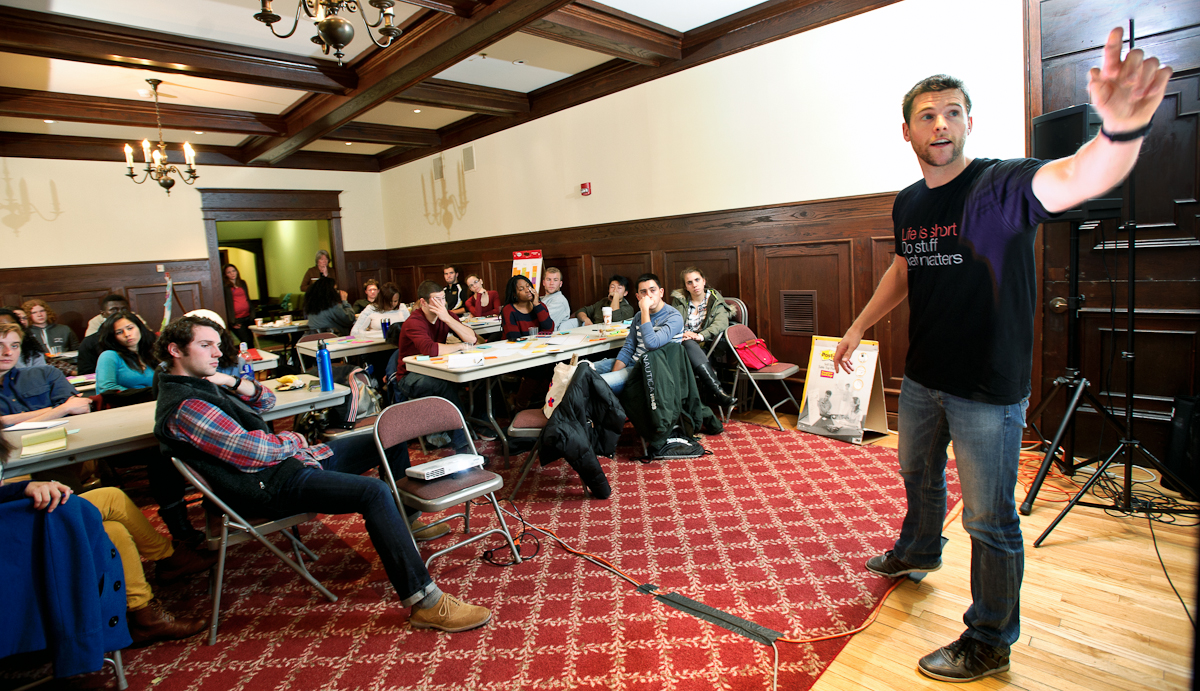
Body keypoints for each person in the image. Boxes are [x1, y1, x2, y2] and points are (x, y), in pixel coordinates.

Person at [831, 30, 1171, 683]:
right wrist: (856, 326)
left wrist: (1119, 134)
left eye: (953, 111)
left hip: (988, 387)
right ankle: (919, 547)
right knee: (916, 471)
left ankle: (989, 638)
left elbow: (1078, 174)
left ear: (969, 123)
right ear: (907, 130)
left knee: (991, 518)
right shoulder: (909, 201)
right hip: (926, 374)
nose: (941, 123)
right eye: (927, 114)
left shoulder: (1002, 184)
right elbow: (904, 269)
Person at [152, 316, 490, 632]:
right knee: (373, 492)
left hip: (292, 463)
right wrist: (294, 439)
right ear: (175, 350)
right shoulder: (187, 406)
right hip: (271, 484)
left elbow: (267, 402)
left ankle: (406, 520)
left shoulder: (204, 383)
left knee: (387, 439)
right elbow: (254, 452)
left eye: (216, 344)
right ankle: (424, 601)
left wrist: (230, 381)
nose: (217, 353)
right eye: (205, 346)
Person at [2, 478, 214, 644]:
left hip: (12, 516)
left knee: (113, 530)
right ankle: (170, 557)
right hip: (11, 533)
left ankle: (144, 615)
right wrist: (23, 488)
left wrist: (24, 487)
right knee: (113, 498)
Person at [593, 274, 683, 395]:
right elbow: (628, 347)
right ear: (638, 296)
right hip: (632, 362)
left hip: (650, 370)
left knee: (595, 385)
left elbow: (652, 344)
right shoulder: (638, 316)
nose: (648, 295)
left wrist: (644, 310)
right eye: (643, 292)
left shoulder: (674, 317)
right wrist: (614, 373)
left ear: (661, 292)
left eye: (653, 290)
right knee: (581, 370)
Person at [670, 267, 736, 407]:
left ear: (704, 281)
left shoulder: (715, 301)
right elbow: (671, 322)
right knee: (686, 344)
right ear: (686, 287)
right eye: (689, 282)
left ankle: (702, 401)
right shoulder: (679, 301)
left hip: (705, 347)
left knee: (689, 345)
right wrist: (681, 335)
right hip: (678, 345)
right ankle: (718, 392)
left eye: (697, 280)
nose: (694, 285)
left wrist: (699, 336)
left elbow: (721, 323)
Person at [0, 323, 89, 427]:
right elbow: (69, 407)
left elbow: (78, 407)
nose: (9, 352)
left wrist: (6, 420)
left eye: (14, 346)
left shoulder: (47, 373)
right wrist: (62, 409)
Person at [95, 311, 159, 394]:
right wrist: (144, 394)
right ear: (113, 337)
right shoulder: (109, 356)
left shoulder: (152, 352)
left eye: (130, 328)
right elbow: (106, 389)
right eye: (119, 332)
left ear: (139, 327)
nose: (127, 334)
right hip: (125, 404)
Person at [499, 275, 553, 340]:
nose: (527, 290)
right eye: (521, 289)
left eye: (528, 286)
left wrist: (536, 304)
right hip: (516, 347)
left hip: (539, 344)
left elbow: (549, 329)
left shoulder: (539, 306)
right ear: (514, 294)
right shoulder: (508, 310)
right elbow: (514, 337)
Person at [222, 264, 255, 344]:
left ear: (237, 272)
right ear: (225, 275)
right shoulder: (225, 286)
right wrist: (232, 321)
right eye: (229, 272)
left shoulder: (242, 283)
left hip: (248, 317)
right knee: (246, 341)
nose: (232, 273)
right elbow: (226, 304)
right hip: (237, 319)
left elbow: (247, 298)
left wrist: (253, 314)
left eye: (233, 271)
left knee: (251, 340)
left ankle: (252, 356)